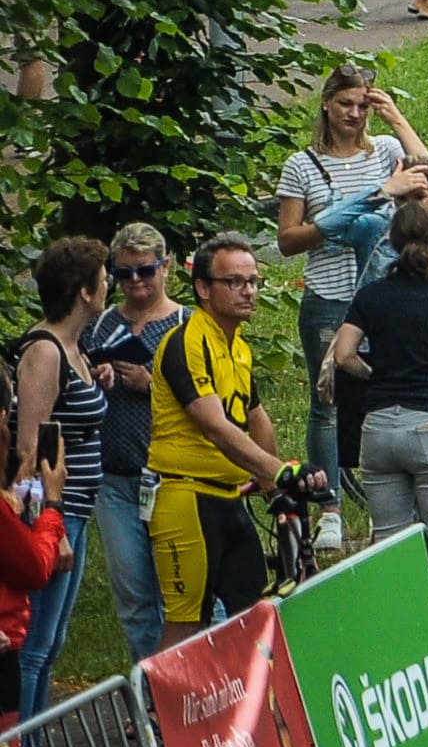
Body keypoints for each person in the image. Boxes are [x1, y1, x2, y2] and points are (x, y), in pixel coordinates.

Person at [272, 63, 428, 490]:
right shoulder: (301, 165)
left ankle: (389, 480)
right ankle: (328, 502)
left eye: (363, 105)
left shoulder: (382, 151)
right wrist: (355, 209)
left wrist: (395, 118)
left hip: (383, 294)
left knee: (391, 391)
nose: (355, 113)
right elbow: (287, 240)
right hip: (330, 295)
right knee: (329, 401)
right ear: (326, 103)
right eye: (345, 103)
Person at [147, 237, 288, 642]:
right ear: (203, 288)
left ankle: (247, 702)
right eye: (234, 282)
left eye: (253, 281)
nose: (248, 290)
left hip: (228, 497)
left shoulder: (238, 347)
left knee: (253, 612)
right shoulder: (186, 341)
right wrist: (277, 471)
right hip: (185, 497)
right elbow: (215, 426)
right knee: (187, 623)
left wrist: (274, 488)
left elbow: (256, 419)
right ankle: (161, 705)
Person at [324, 201, 428, 545]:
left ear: (392, 244)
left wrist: (371, 374)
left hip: (378, 431)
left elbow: (344, 354)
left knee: (389, 542)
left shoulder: (370, 296)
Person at [10, 241, 109, 718]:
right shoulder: (46, 350)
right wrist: (49, 520)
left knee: (53, 643)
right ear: (85, 292)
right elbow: (32, 444)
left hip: (77, 508)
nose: (110, 285)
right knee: (34, 644)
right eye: (105, 277)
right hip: (54, 512)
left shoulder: (77, 348)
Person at [79, 227, 176, 663]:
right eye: (124, 273)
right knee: (134, 594)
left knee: (182, 590)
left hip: (171, 475)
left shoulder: (185, 324)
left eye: (145, 271)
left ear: (165, 267)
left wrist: (149, 384)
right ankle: (151, 693)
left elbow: (206, 400)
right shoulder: (102, 323)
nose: (136, 281)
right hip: (114, 476)